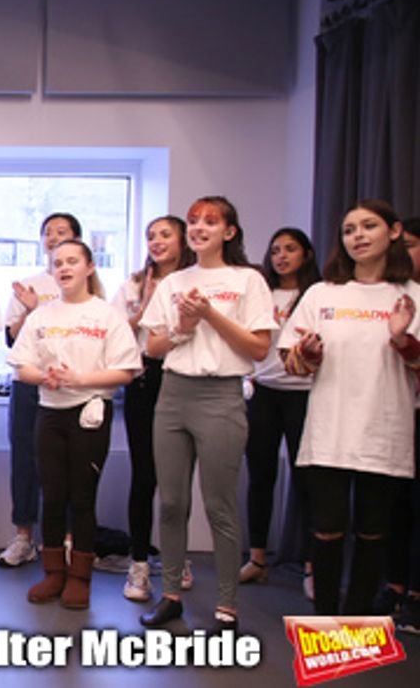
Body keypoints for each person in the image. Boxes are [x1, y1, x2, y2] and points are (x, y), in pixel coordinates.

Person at [139, 196, 275, 632]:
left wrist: (210, 314)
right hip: (174, 395)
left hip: (221, 397)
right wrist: (184, 327)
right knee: (173, 501)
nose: (199, 228)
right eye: (194, 221)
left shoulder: (248, 280)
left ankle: (227, 604)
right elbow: (151, 348)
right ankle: (172, 594)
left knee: (219, 503)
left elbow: (257, 347)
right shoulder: (174, 281)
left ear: (229, 232)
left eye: (210, 222)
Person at [278, 199, 419, 617]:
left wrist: (401, 338)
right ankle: (324, 621)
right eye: (349, 229)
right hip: (330, 429)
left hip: (384, 427)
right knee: (326, 531)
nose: (357, 235)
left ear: (393, 232)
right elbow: (293, 363)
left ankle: (357, 620)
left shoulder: (410, 295)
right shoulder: (322, 292)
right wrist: (309, 353)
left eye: (368, 226)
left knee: (373, 532)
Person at [9, 240, 139, 610]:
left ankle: (80, 577)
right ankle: (53, 573)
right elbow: (22, 365)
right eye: (57, 263)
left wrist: (80, 379)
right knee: (51, 494)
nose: (64, 268)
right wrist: (45, 378)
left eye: (72, 261)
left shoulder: (106, 315)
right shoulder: (42, 315)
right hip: (49, 412)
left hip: (89, 411)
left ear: (89, 267)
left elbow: (126, 370)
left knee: (82, 497)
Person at [110, 215, 194, 601]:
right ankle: (139, 564)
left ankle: (177, 559)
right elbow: (112, 332)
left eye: (165, 235)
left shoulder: (196, 281)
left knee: (177, 481)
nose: (157, 242)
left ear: (183, 240)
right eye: (150, 236)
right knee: (144, 475)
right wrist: (141, 307)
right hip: (144, 379)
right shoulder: (132, 284)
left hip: (185, 379)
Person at [0, 213, 82, 568]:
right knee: (25, 460)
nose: (53, 238)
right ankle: (23, 538)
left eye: (61, 233)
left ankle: (64, 540)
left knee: (66, 465)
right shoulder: (28, 285)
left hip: (70, 386)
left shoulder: (91, 291)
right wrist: (32, 311)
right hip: (29, 385)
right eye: (48, 233)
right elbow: (11, 338)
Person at [241, 228, 319, 591]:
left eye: (290, 249)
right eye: (275, 250)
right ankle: (257, 558)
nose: (281, 256)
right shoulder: (262, 292)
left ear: (306, 253)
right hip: (264, 391)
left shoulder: (316, 295)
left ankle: (311, 565)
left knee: (308, 482)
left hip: (305, 394)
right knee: (260, 476)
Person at [378, 216, 420, 633]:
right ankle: (393, 586)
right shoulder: (386, 297)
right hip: (396, 411)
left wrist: (405, 341)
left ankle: (416, 594)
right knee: (395, 506)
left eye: (410, 244)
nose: (401, 252)